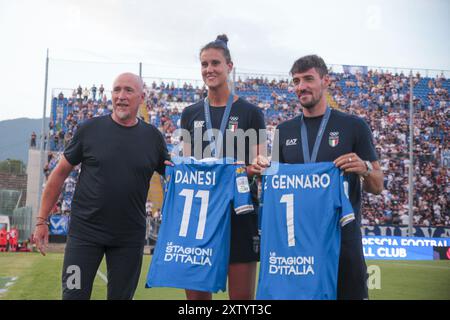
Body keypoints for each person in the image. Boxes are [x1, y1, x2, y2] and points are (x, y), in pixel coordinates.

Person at [33, 72, 170, 300]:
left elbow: (175, 176)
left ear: (142, 97)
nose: (121, 96)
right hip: (84, 235)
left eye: (128, 90)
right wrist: (41, 221)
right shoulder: (89, 130)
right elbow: (58, 176)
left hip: (128, 237)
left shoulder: (153, 138)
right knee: (73, 295)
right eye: (116, 90)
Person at [272, 55, 383, 300]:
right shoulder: (283, 131)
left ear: (325, 81)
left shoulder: (354, 126)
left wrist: (364, 168)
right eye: (296, 81)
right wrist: (262, 171)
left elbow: (378, 184)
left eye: (308, 79)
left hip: (343, 241)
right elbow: (273, 186)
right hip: (297, 246)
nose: (301, 86)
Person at [180, 34, 267, 300]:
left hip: (239, 211)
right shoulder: (190, 113)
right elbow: (187, 167)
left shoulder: (252, 113)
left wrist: (247, 169)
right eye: (204, 64)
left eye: (215, 63)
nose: (209, 69)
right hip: (200, 215)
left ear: (229, 66)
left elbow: (260, 163)